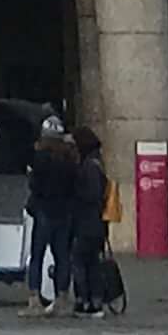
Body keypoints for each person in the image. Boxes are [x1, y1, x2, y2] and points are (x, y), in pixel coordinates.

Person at [26, 118, 81, 313]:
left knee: (37, 256)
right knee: (62, 256)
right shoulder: (69, 158)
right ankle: (62, 297)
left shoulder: (40, 157)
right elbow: (75, 185)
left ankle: (34, 300)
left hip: (44, 210)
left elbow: (35, 185)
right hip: (64, 212)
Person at [66, 127, 117, 315]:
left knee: (80, 260)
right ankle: (95, 301)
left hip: (87, 222)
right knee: (92, 261)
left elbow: (92, 194)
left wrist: (76, 194)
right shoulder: (97, 162)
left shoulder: (89, 165)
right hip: (96, 223)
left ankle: (85, 300)